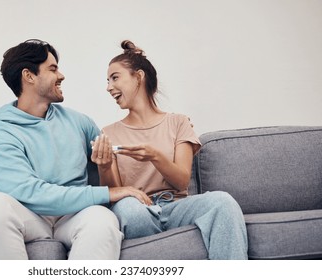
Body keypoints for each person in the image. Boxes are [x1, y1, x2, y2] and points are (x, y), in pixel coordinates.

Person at [0, 39, 151, 260]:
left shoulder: (80, 122)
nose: (61, 75)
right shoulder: (2, 135)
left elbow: (109, 171)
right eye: (53, 69)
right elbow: (30, 192)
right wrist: (107, 193)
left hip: (75, 216)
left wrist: (109, 170)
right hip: (31, 216)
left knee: (102, 220)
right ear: (29, 76)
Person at [91, 40, 248, 259]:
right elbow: (116, 193)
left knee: (223, 202)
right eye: (107, 81)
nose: (109, 87)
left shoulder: (178, 123)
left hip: (176, 206)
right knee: (129, 210)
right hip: (137, 209)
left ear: (138, 76)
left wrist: (155, 156)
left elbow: (181, 181)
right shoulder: (108, 133)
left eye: (115, 78)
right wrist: (105, 165)